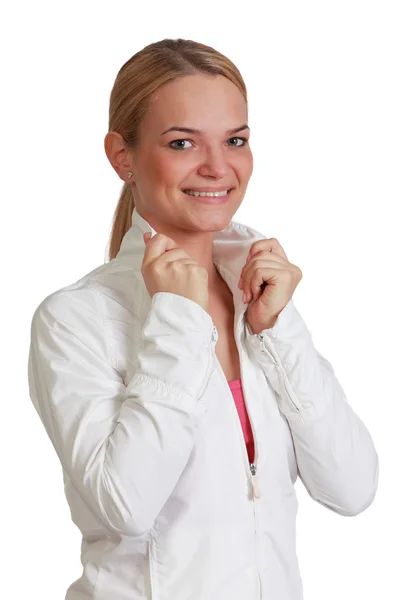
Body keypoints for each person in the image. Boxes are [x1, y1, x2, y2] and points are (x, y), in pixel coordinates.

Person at [27, 38, 379, 600]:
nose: (218, 167)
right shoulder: (75, 319)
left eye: (235, 140)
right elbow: (126, 505)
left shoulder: (257, 299)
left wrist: (277, 330)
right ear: (123, 156)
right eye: (182, 142)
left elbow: (352, 488)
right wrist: (178, 319)